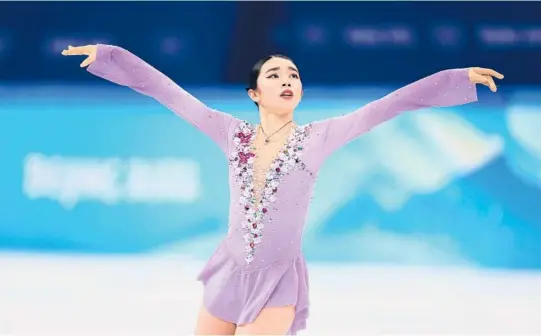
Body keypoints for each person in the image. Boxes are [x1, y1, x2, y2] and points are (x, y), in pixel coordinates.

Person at [62, 44, 503, 335]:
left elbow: (394, 104)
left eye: (292, 74)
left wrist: (459, 79)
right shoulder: (229, 132)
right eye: (274, 75)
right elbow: (166, 91)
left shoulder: (320, 136)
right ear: (254, 92)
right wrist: (109, 55)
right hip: (229, 270)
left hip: (277, 279)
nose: (287, 79)